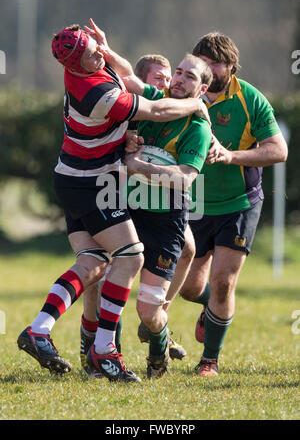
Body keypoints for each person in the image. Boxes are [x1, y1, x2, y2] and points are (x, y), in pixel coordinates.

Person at [16, 19, 210, 383]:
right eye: (92, 55)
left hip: (73, 178)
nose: (98, 58)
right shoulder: (97, 94)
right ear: (75, 64)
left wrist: (104, 49)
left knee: (92, 264)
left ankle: (39, 330)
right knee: (130, 257)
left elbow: (127, 76)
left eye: (96, 49)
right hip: (90, 185)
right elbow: (155, 111)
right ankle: (104, 350)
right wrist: (197, 107)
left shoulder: (88, 63)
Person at [179, 32, 288, 377]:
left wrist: (230, 156)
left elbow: (278, 150)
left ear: (230, 66)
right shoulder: (183, 93)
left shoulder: (249, 98)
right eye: (203, 62)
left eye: (215, 64)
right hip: (194, 203)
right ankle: (212, 310)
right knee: (188, 287)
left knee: (224, 282)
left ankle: (209, 360)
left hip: (239, 203)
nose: (208, 69)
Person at [80, 53, 189, 374]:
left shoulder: (181, 112)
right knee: (99, 278)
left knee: (184, 255)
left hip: (164, 213)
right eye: (160, 78)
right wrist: (126, 141)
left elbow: (184, 178)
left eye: (171, 77)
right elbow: (127, 78)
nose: (166, 83)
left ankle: (158, 333)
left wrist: (200, 110)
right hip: (118, 202)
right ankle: (98, 347)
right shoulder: (132, 107)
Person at [121, 53, 213, 378]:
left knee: (148, 311)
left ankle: (159, 347)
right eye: (179, 72)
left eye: (190, 77)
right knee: (107, 281)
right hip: (129, 213)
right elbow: (127, 78)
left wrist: (138, 166)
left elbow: (184, 177)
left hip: (164, 222)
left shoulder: (198, 128)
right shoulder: (154, 102)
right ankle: (102, 358)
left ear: (201, 90)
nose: (179, 79)